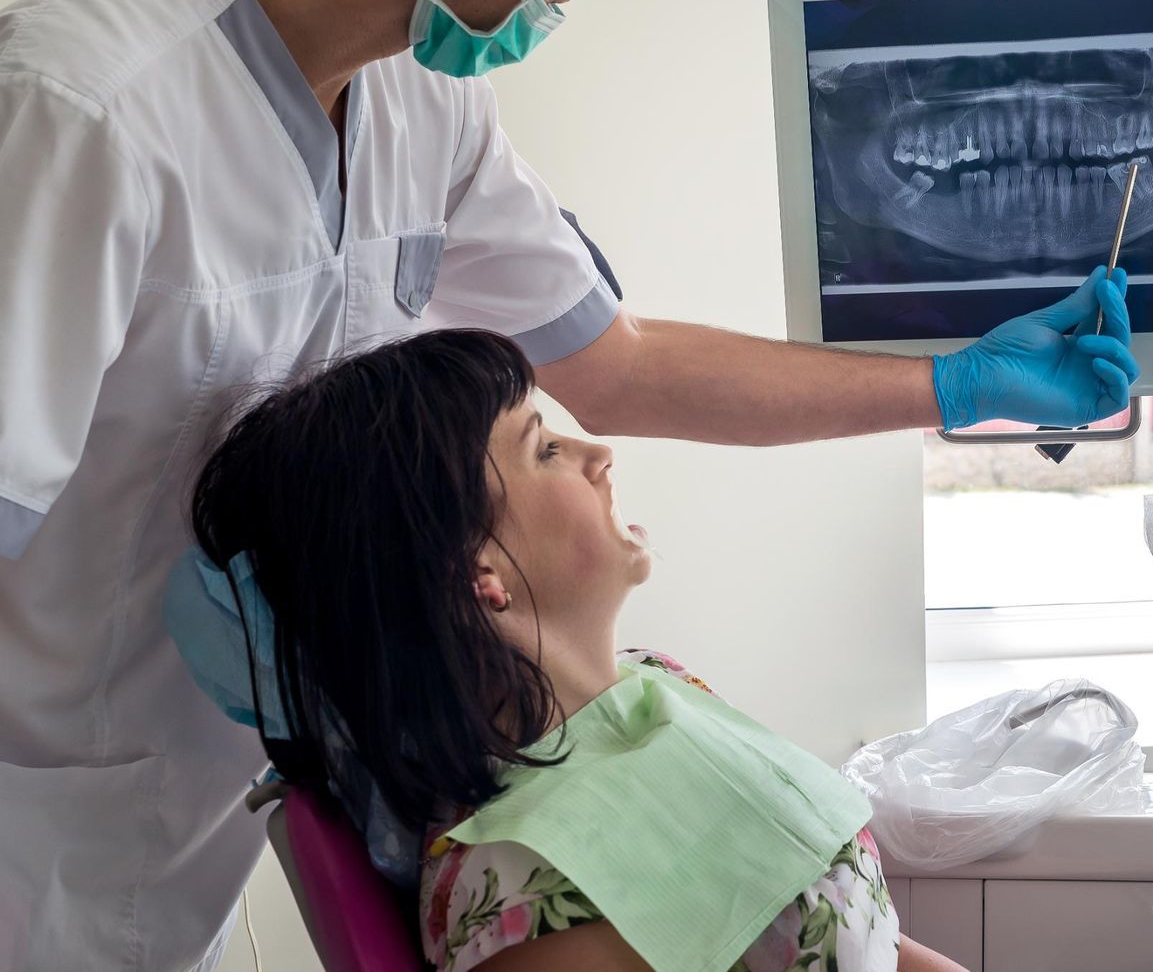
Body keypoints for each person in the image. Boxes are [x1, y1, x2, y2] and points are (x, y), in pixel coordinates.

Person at [0, 0, 1135, 966]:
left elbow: (617, 365)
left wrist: (955, 383)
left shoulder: (423, 112)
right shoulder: (73, 114)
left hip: (206, 831)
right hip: (36, 836)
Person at [191, 329, 965, 972]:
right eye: (545, 451)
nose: (598, 452)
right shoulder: (527, 889)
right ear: (477, 575)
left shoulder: (656, 682)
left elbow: (853, 932)